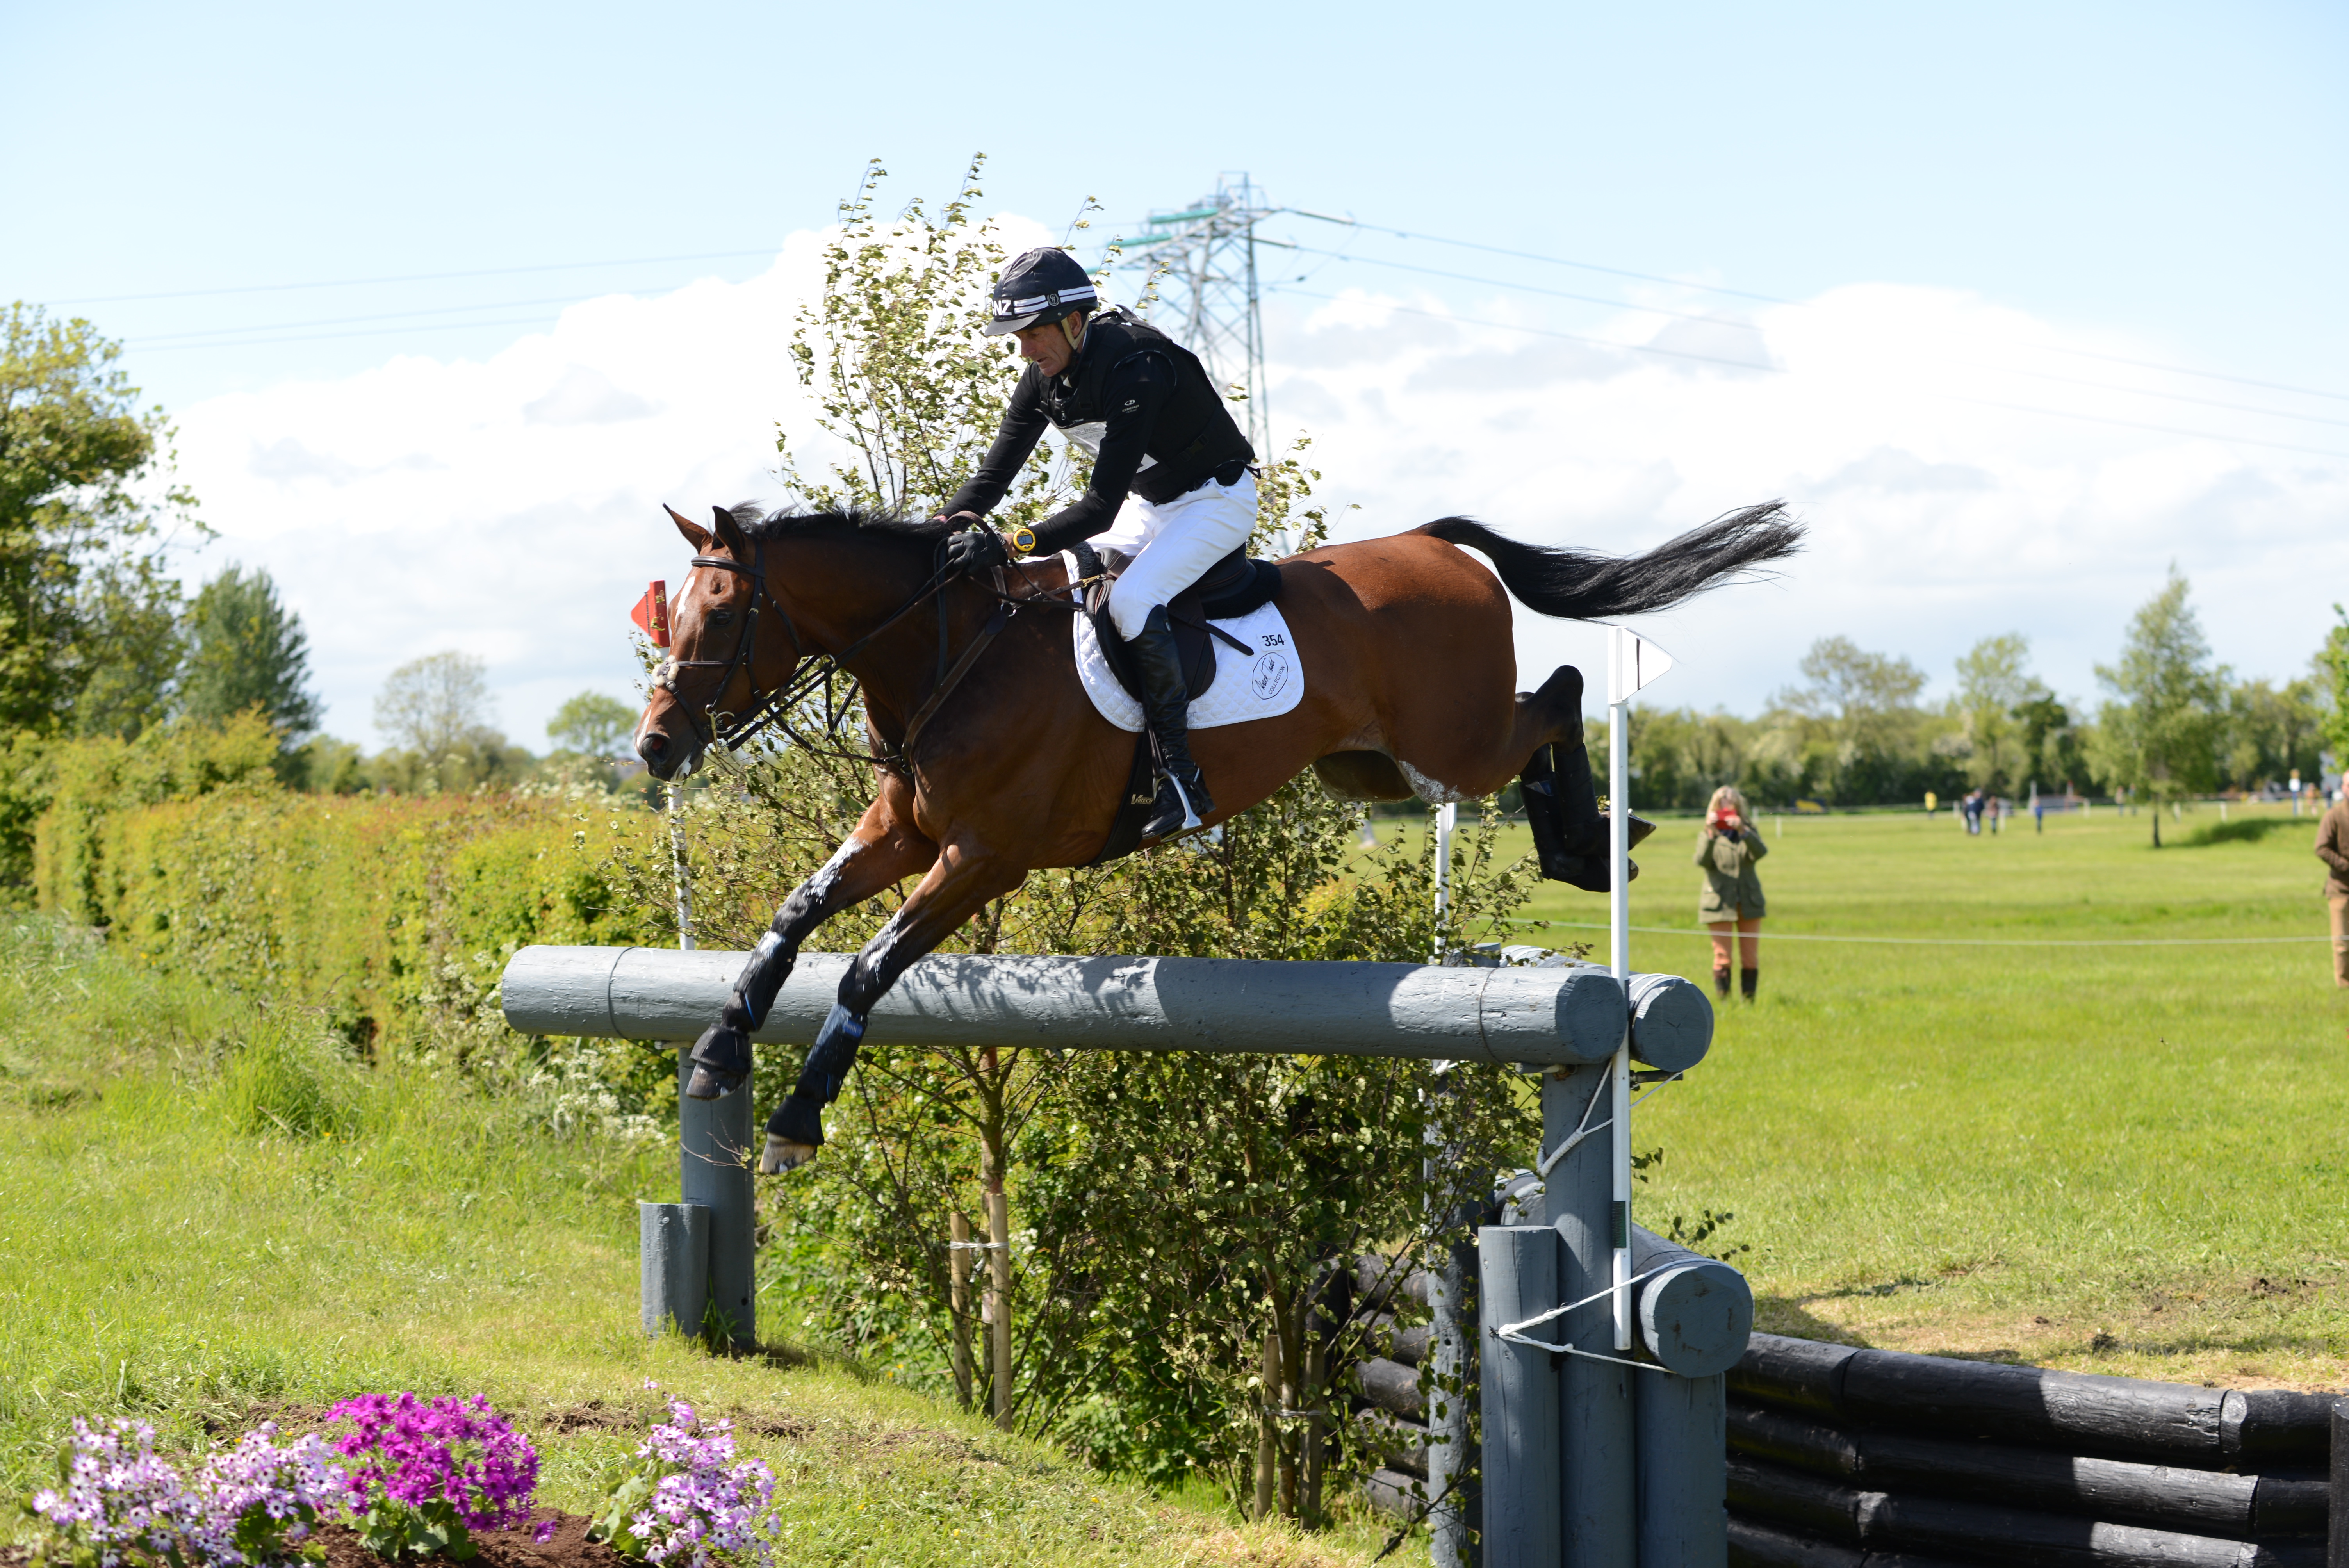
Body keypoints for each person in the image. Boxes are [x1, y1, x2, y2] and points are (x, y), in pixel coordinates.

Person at [932, 247, 1256, 841]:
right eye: (1018, 338)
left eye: (1032, 334)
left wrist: (1008, 542)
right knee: (1056, 575)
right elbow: (990, 479)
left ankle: (1181, 781)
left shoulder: (1135, 366)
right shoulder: (1046, 378)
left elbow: (1098, 508)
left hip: (1216, 502)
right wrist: (935, 533)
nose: (1024, 351)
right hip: (1152, 505)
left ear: (1074, 322)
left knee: (1132, 603)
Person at [1696, 785, 1768, 1002]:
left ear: (1739, 809)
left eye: (1731, 808)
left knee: (1750, 958)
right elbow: (1702, 861)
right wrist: (1711, 834)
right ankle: (1724, 1002)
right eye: (1722, 808)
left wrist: (1743, 832)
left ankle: (1749, 1001)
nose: (1726, 812)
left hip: (1749, 901)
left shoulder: (1748, 832)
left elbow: (1761, 853)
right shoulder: (1708, 834)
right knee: (1722, 957)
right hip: (1719, 903)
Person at [2317, 788, 2349, 989]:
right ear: (2345, 789)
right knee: (2342, 945)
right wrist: (2345, 866)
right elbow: (2321, 848)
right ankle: (2345, 986)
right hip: (2341, 890)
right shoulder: (2334, 816)